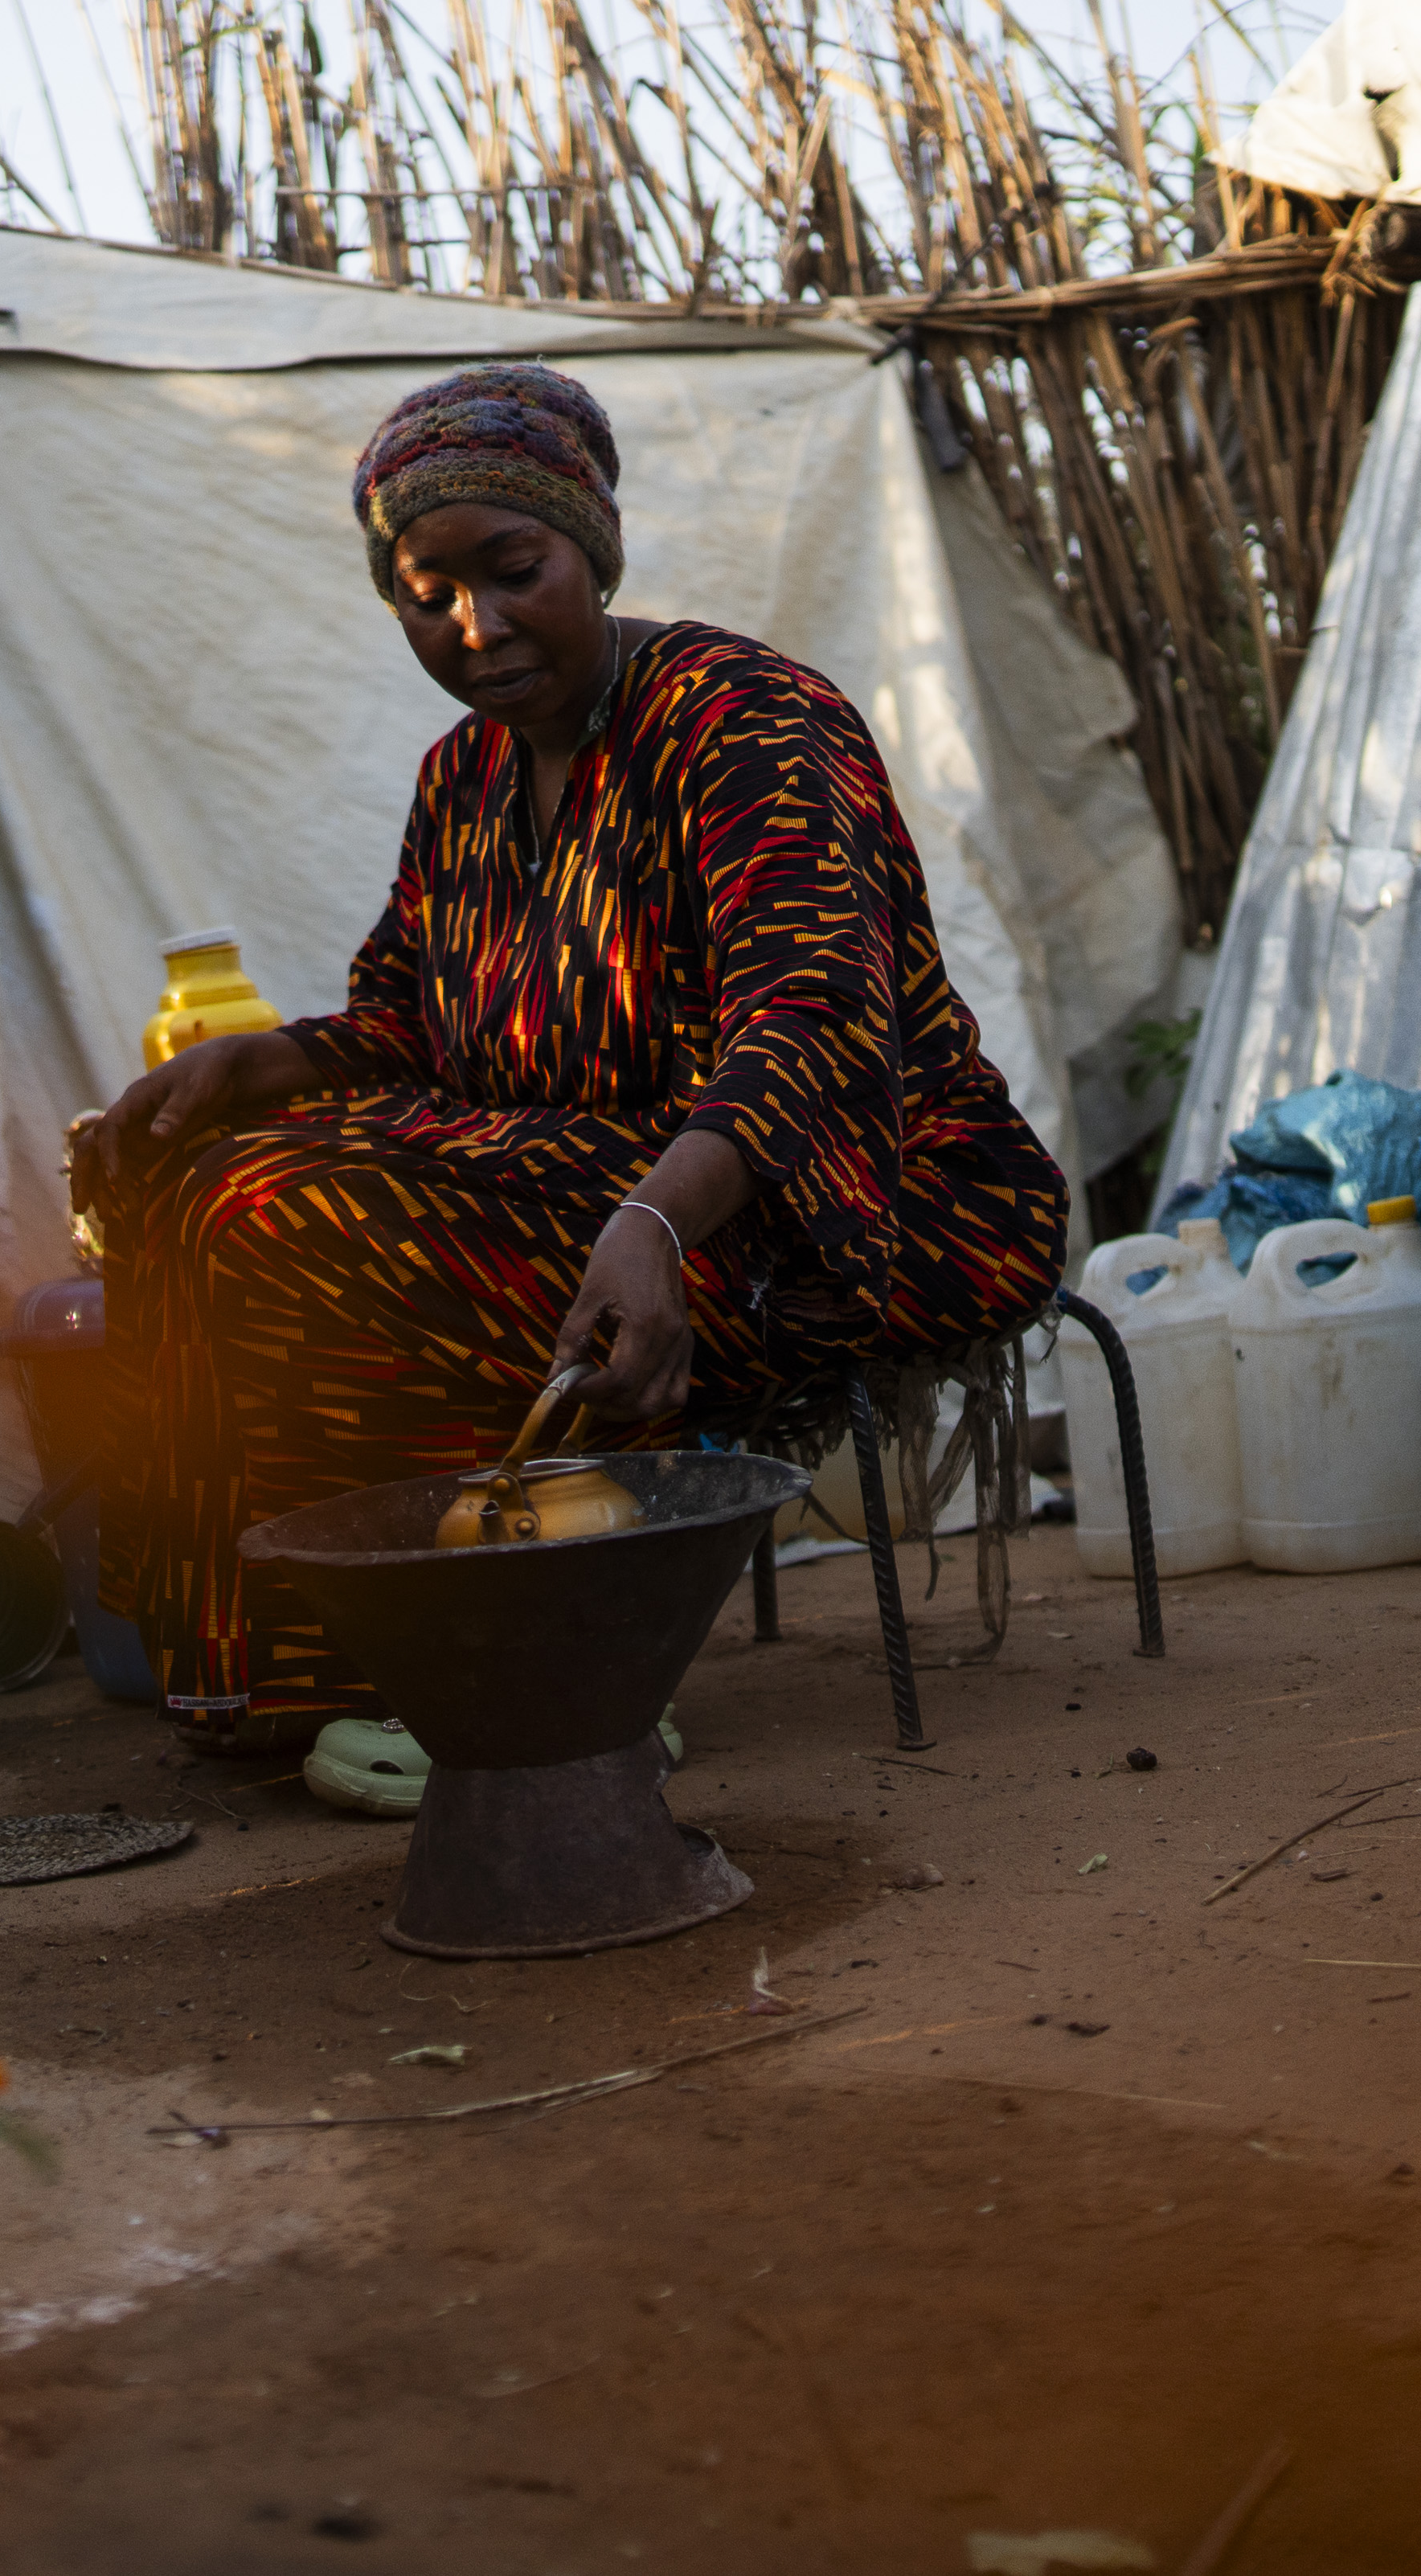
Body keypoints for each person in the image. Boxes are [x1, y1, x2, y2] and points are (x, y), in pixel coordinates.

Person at [84, 362, 1066, 1788]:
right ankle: (283, 1669)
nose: (475, 625)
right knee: (198, 1178)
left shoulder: (745, 722)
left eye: (512, 569)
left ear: (590, 548)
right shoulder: (463, 780)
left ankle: (501, 1666)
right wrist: (266, 1061)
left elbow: (812, 1027)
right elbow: (410, 1029)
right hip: (587, 1179)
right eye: (428, 595)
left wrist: (658, 1223)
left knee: (308, 1218)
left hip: (839, 1207)